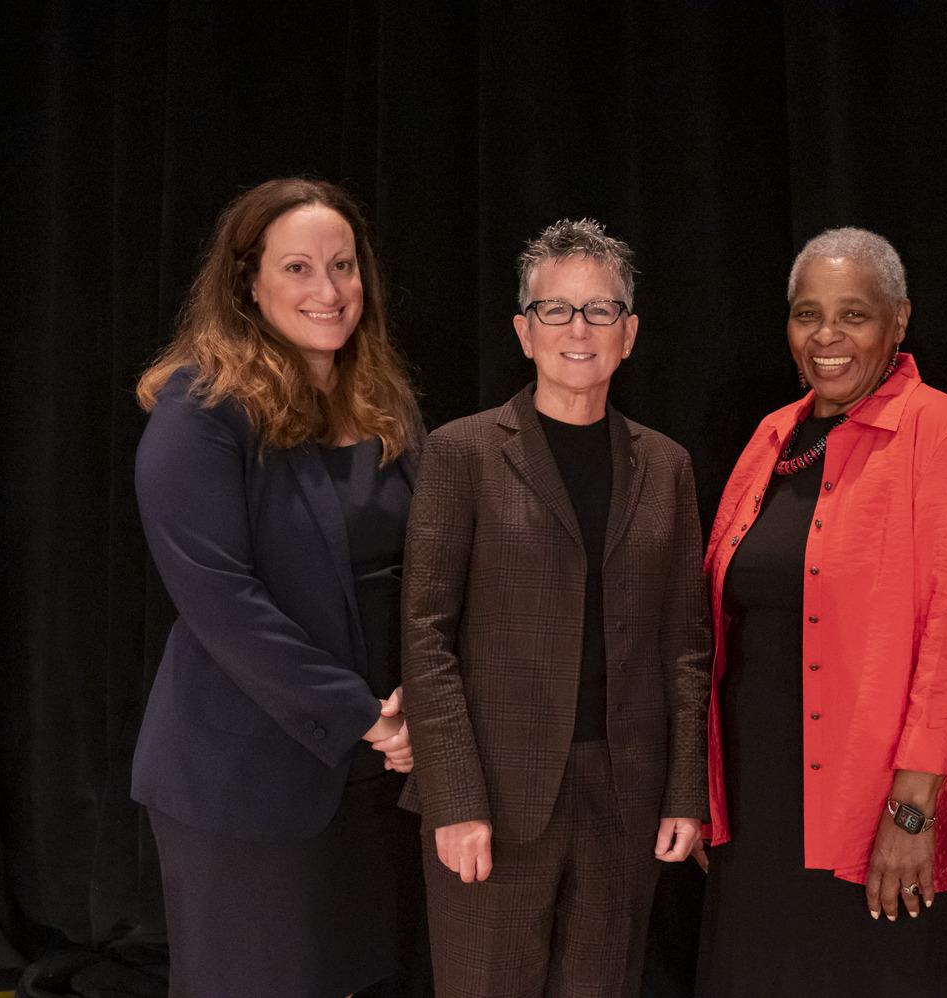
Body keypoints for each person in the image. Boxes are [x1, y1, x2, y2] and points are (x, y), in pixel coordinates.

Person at [133, 177, 430, 997]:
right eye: (297, 268)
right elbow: (222, 601)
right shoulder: (201, 411)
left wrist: (420, 708)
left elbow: (427, 568)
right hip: (248, 781)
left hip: (379, 777)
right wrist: (363, 716)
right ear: (247, 284)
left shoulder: (385, 403)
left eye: (342, 265)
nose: (327, 290)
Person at [400, 219, 711, 998]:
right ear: (523, 332)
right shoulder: (462, 453)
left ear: (629, 333)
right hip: (494, 802)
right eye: (556, 311)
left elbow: (686, 645)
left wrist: (684, 791)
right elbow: (426, 635)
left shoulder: (666, 466)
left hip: (624, 798)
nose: (579, 329)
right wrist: (456, 799)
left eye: (600, 310)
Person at [695, 227, 947, 997]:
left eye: (854, 314)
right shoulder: (772, 437)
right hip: (758, 802)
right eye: (807, 314)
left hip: (875, 806)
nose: (826, 337)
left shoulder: (944, 431)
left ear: (898, 321)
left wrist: (911, 811)